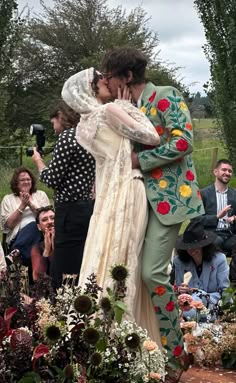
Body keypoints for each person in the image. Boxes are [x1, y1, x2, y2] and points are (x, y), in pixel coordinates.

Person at [101, 47, 205, 382]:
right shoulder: (126, 108)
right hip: (137, 202)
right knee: (136, 274)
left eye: (111, 75)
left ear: (127, 77)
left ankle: (176, 358)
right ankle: (152, 351)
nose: (106, 80)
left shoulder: (165, 96)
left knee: (152, 275)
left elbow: (183, 141)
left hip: (170, 202)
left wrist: (139, 161)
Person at [61, 68, 162, 347]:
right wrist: (128, 106)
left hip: (107, 198)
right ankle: (127, 337)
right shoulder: (109, 112)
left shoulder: (82, 128)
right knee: (129, 255)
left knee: (104, 252)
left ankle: (99, 334)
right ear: (92, 89)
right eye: (101, 79)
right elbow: (152, 137)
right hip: (129, 189)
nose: (107, 80)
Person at [32, 100, 95, 287]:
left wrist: (38, 161)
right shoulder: (88, 136)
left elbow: (51, 179)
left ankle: (63, 306)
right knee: (80, 259)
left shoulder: (68, 137)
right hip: (86, 208)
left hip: (69, 211)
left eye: (53, 123)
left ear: (61, 116)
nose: (53, 128)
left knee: (63, 267)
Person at [175, 221, 230, 319]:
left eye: (195, 246)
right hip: (188, 308)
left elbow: (225, 293)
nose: (191, 249)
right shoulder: (179, 262)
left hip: (214, 306)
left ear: (204, 245)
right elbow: (179, 292)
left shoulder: (219, 259)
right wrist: (180, 291)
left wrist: (201, 296)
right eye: (188, 246)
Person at [0, 167, 50, 268]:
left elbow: (46, 217)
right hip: (17, 238)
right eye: (22, 180)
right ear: (16, 183)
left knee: (35, 225)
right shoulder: (8, 199)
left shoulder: (41, 195)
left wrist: (30, 204)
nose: (26, 182)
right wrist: (23, 205)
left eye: (28, 179)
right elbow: (9, 225)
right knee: (34, 245)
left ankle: (15, 254)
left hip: (42, 235)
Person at [199, 159, 236, 254]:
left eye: (230, 171)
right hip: (210, 233)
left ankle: (232, 268)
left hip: (230, 234)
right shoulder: (203, 194)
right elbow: (195, 219)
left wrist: (234, 217)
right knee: (216, 242)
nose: (227, 173)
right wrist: (217, 217)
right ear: (215, 172)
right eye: (224, 170)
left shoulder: (234, 194)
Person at [31, 206, 55, 281]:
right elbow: (37, 278)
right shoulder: (37, 248)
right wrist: (47, 251)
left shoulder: (68, 242)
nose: (50, 221)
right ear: (39, 227)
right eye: (44, 220)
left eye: (53, 218)